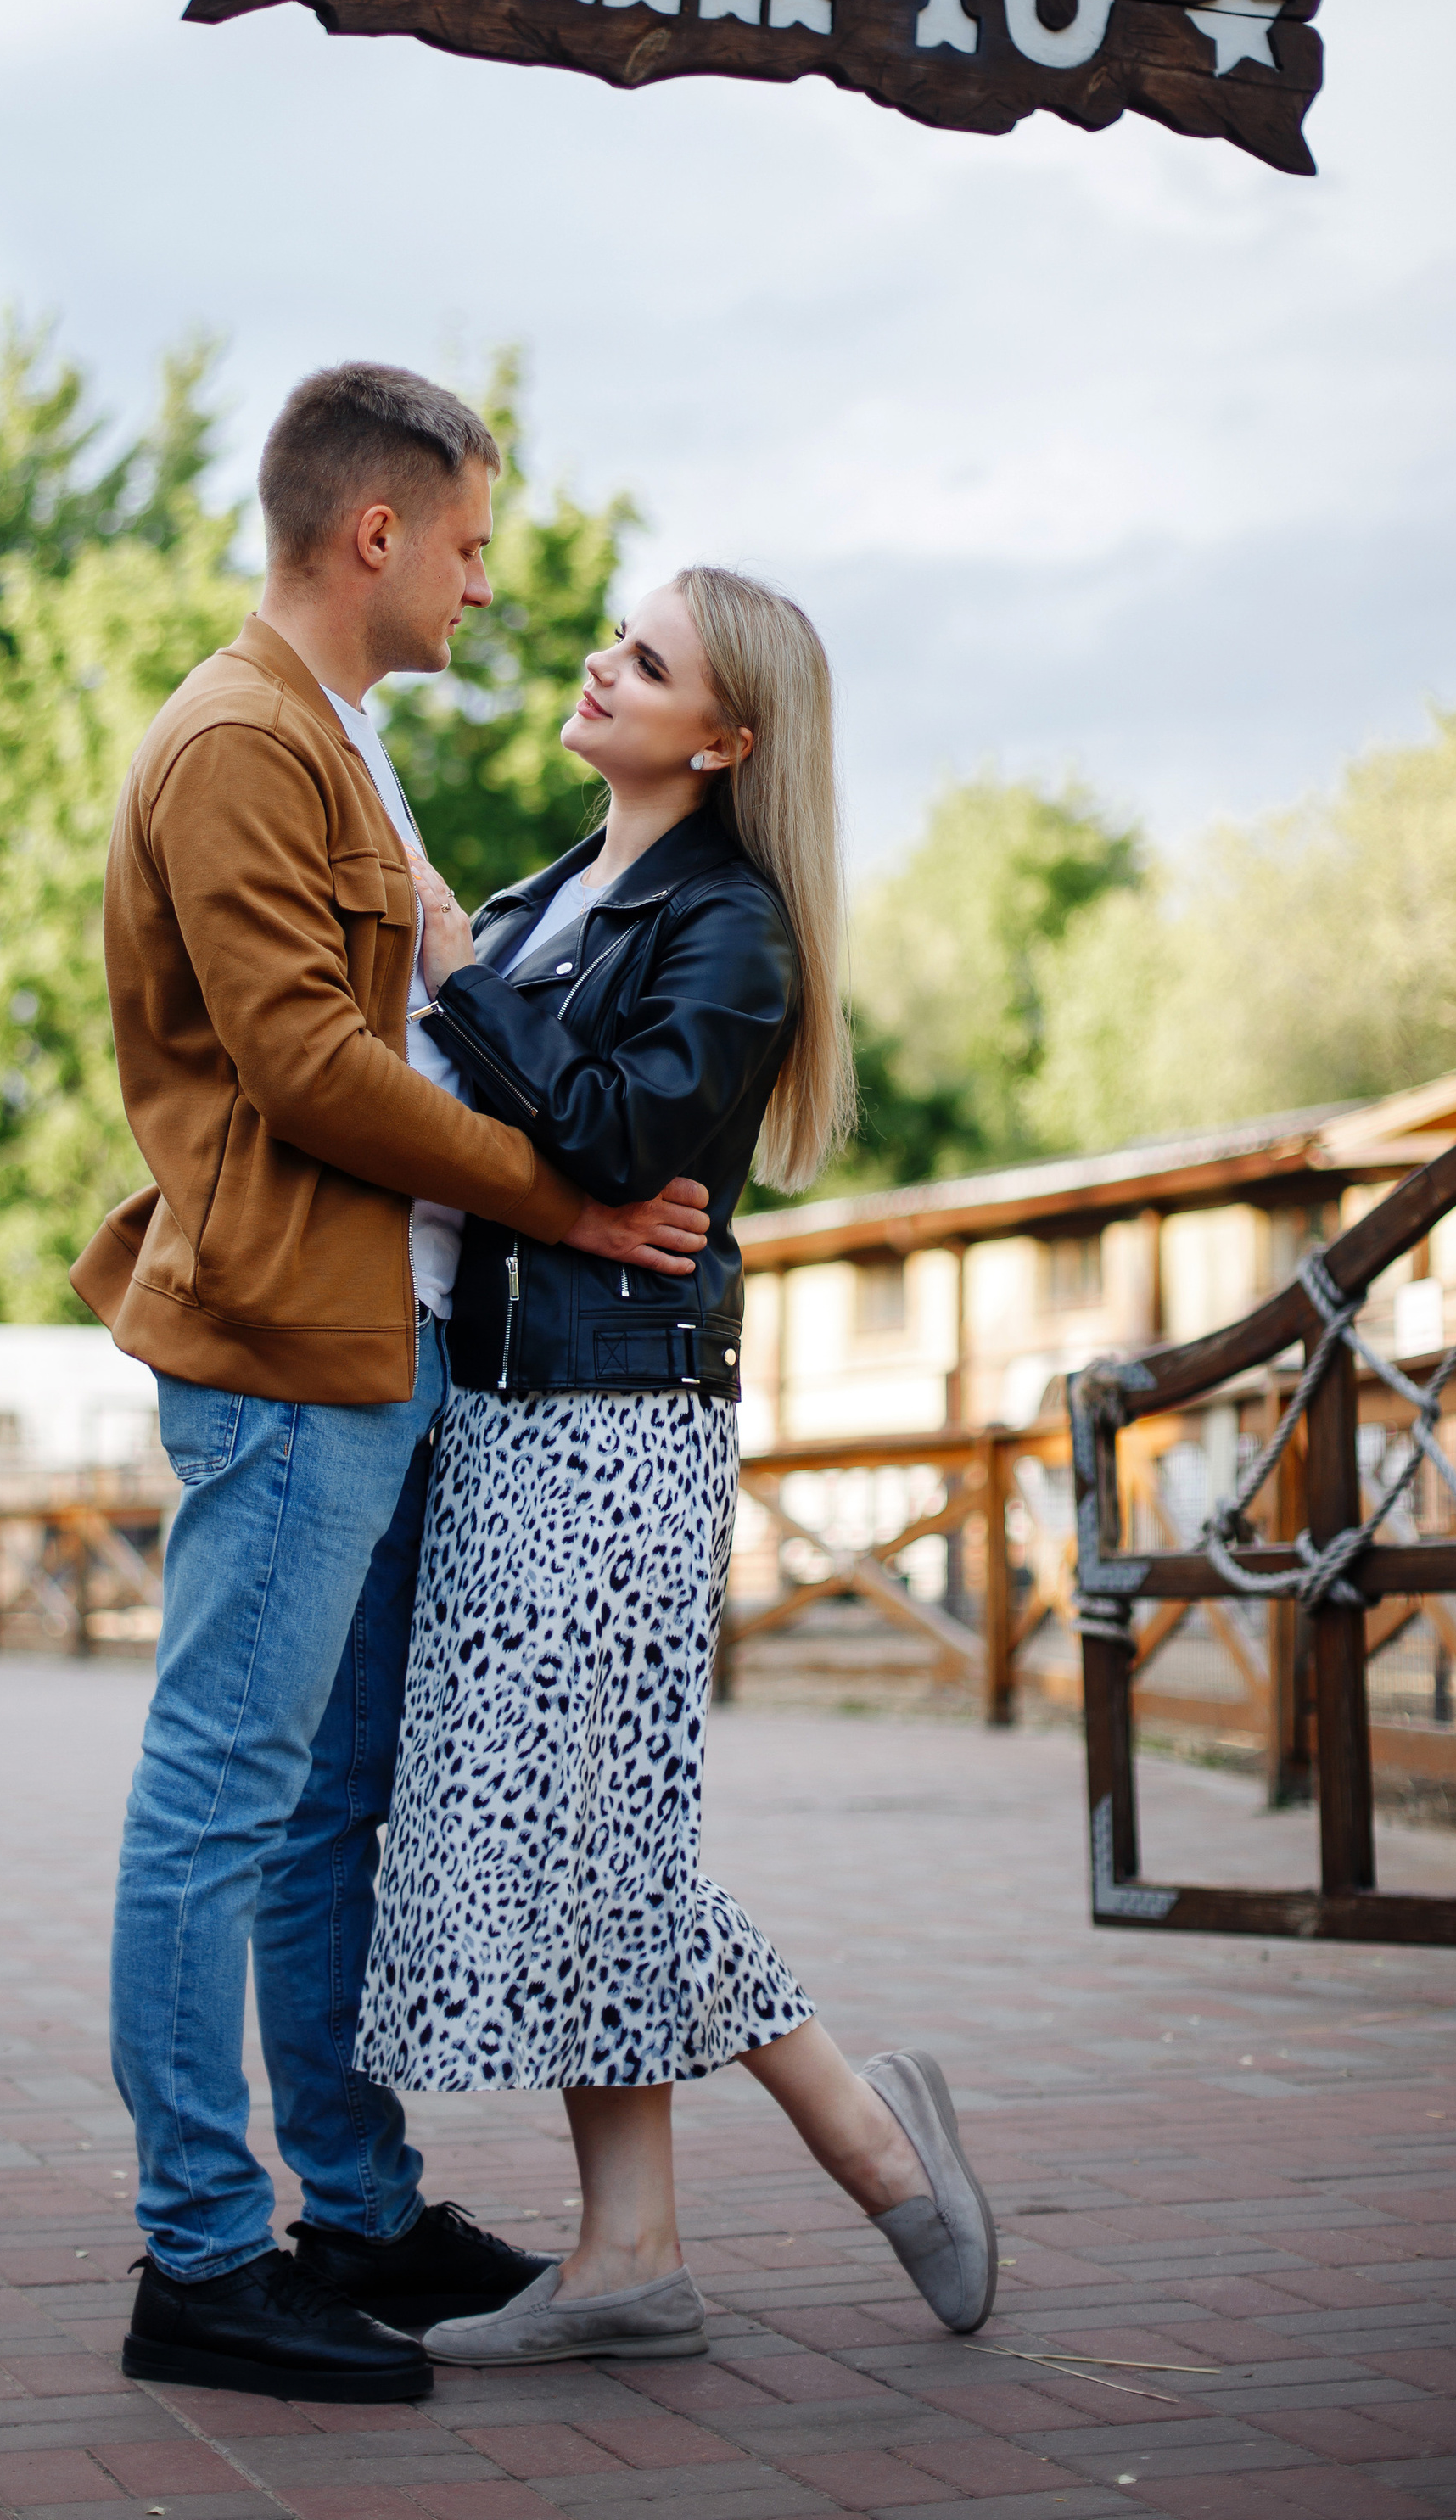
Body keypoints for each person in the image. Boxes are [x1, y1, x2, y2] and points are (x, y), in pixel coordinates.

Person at [70, 365, 714, 2405]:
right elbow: (307, 1069)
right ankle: (200, 2252)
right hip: (288, 1348)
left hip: (381, 1336)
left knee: (314, 1810)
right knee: (223, 1799)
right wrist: (569, 1195)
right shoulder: (241, 741)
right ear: (376, 534)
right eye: (469, 541)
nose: (484, 579)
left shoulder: (336, 738)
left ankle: (349, 2209)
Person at [353, 567, 997, 2363]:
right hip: (498, 1404)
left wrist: (464, 987)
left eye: (646, 662)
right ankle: (630, 2251)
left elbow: (614, 1125)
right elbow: (532, 1148)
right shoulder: (542, 897)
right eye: (611, 639)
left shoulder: (732, 929)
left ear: (724, 740)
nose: (598, 663)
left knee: (593, 1839)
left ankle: (867, 2145)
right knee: (575, 1830)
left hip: (621, 1419)